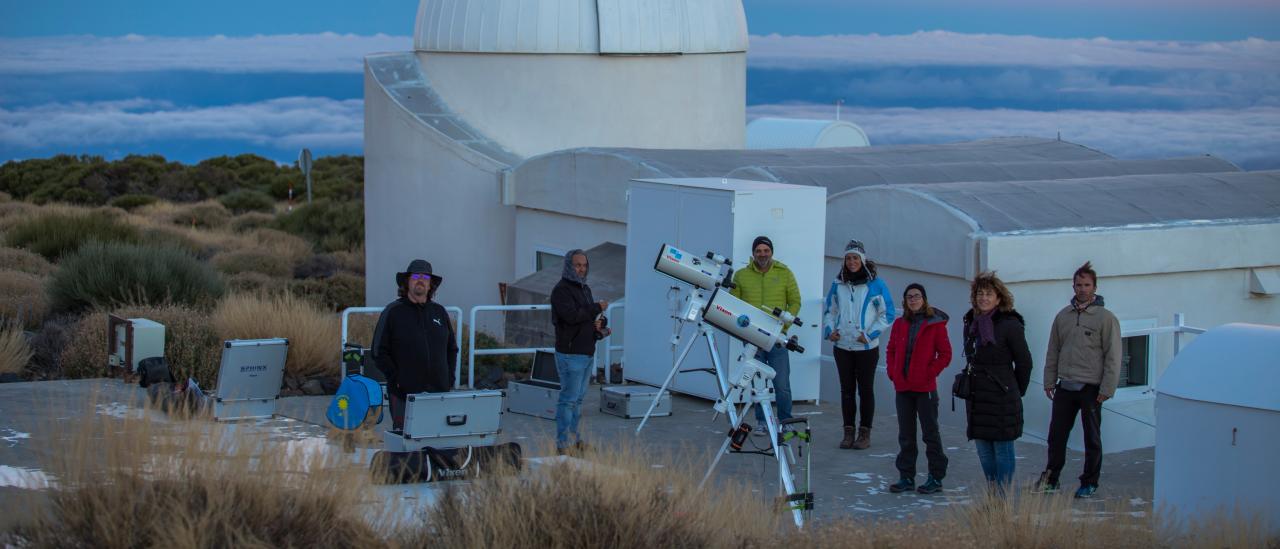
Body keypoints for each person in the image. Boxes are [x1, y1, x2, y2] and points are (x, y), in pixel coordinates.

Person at [1035, 261, 1122, 499]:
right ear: (1072, 286)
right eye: (1078, 284)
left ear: (1094, 287)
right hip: (1066, 385)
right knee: (1056, 435)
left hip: (1091, 388)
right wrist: (1049, 380)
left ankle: (1089, 482)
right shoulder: (1063, 316)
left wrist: (1107, 388)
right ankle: (1051, 479)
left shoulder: (1105, 318)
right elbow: (1053, 350)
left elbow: (1114, 356)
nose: (1082, 289)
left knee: (1091, 438)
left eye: (1087, 284)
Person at [962, 271, 1033, 490]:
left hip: (1002, 395)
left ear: (999, 298)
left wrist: (1014, 389)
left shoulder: (1010, 324)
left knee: (1003, 449)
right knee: (983, 449)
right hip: (978, 395)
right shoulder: (971, 322)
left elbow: (1024, 362)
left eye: (989, 294)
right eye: (980, 293)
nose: (983, 298)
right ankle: (994, 496)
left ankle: (1003, 499)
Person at [822, 240, 895, 449]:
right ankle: (848, 432)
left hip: (866, 348)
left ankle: (865, 434)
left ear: (862, 260)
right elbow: (830, 310)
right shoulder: (838, 284)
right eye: (848, 258)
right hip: (842, 346)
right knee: (846, 390)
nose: (852, 261)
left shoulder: (876, 284)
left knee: (865, 390)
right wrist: (830, 331)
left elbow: (887, 313)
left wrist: (870, 334)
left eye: (855, 258)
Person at [372, 259, 459, 431]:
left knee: (437, 437)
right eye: (416, 276)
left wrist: (449, 378)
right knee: (406, 442)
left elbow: (452, 349)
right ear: (407, 282)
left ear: (430, 285)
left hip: (438, 392)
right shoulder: (393, 311)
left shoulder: (439, 312)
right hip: (404, 393)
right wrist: (396, 379)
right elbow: (378, 351)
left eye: (425, 277)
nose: (420, 280)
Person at [730, 235, 801, 435]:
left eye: (766, 251)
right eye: (758, 251)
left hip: (777, 338)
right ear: (753, 253)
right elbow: (733, 304)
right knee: (758, 383)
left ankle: (785, 420)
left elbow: (795, 301)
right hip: (753, 338)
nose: (762, 254)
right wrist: (742, 331)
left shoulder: (785, 273)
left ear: (771, 252)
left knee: (782, 383)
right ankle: (762, 421)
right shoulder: (741, 275)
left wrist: (785, 325)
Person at [885, 283, 951, 494]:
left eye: (917, 296)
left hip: (925, 389)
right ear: (905, 301)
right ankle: (906, 476)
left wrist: (928, 373)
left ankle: (935, 477)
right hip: (903, 388)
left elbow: (945, 354)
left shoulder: (934, 324)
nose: (913, 300)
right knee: (906, 434)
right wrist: (893, 373)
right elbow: (891, 349)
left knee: (930, 433)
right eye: (909, 297)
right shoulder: (899, 324)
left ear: (924, 299)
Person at [550, 250, 609, 455]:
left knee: (578, 399)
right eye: (577, 265)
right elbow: (572, 316)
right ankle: (562, 445)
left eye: (584, 265)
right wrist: (595, 308)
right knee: (568, 400)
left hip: (586, 351)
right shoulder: (561, 290)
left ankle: (575, 441)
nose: (581, 269)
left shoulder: (585, 288)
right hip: (570, 354)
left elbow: (587, 318)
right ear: (569, 266)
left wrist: (600, 324)